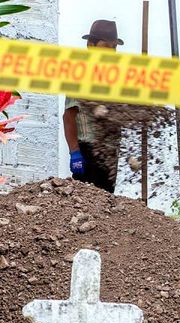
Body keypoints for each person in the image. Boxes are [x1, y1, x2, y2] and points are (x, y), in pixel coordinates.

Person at [63, 20, 124, 193]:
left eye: (114, 47)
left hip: (110, 149)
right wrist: (74, 152)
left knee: (106, 201)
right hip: (88, 150)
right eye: (107, 45)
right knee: (87, 201)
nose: (111, 51)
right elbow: (69, 116)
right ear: (91, 44)